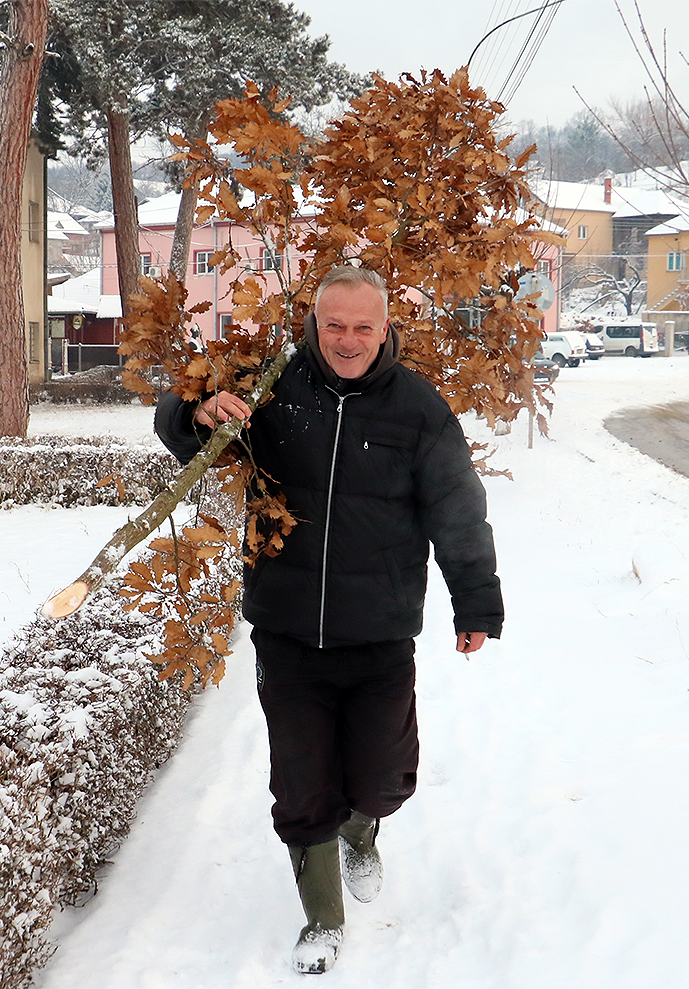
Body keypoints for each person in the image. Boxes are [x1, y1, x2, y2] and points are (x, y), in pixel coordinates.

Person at [155, 265, 503, 975]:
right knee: (302, 782)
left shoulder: (419, 410)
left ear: (385, 329)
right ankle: (323, 918)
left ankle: (363, 829)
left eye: (363, 326)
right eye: (334, 324)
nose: (347, 339)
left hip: (379, 632)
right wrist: (196, 414)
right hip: (286, 630)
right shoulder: (271, 385)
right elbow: (182, 424)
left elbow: (458, 511)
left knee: (380, 779)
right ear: (314, 323)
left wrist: (476, 602)